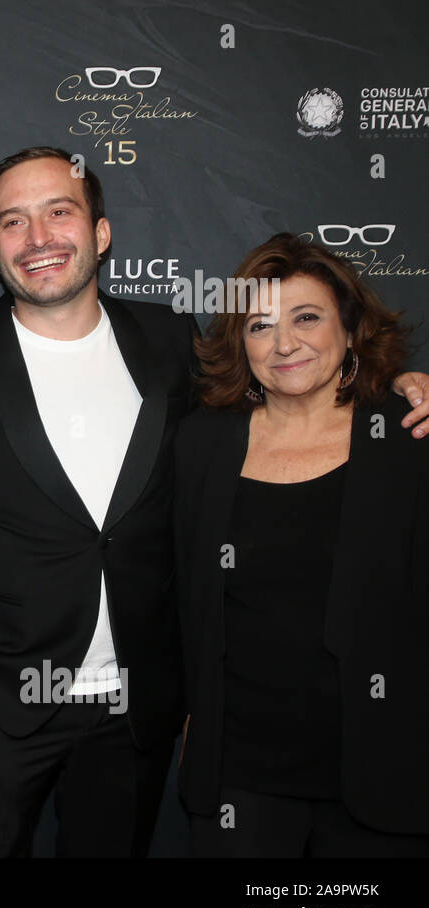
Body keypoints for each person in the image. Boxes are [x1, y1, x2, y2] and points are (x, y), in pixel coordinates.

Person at [0, 147, 429, 857]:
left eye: (59, 212)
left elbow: (288, 389)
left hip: (136, 713)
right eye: (14, 222)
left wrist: (404, 384)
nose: (38, 238)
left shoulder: (168, 342)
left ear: (101, 234)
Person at [175, 233, 429, 857]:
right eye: (260, 326)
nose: (284, 343)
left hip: (383, 773)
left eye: (306, 318)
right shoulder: (201, 445)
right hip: (240, 778)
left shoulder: (406, 438)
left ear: (350, 329)